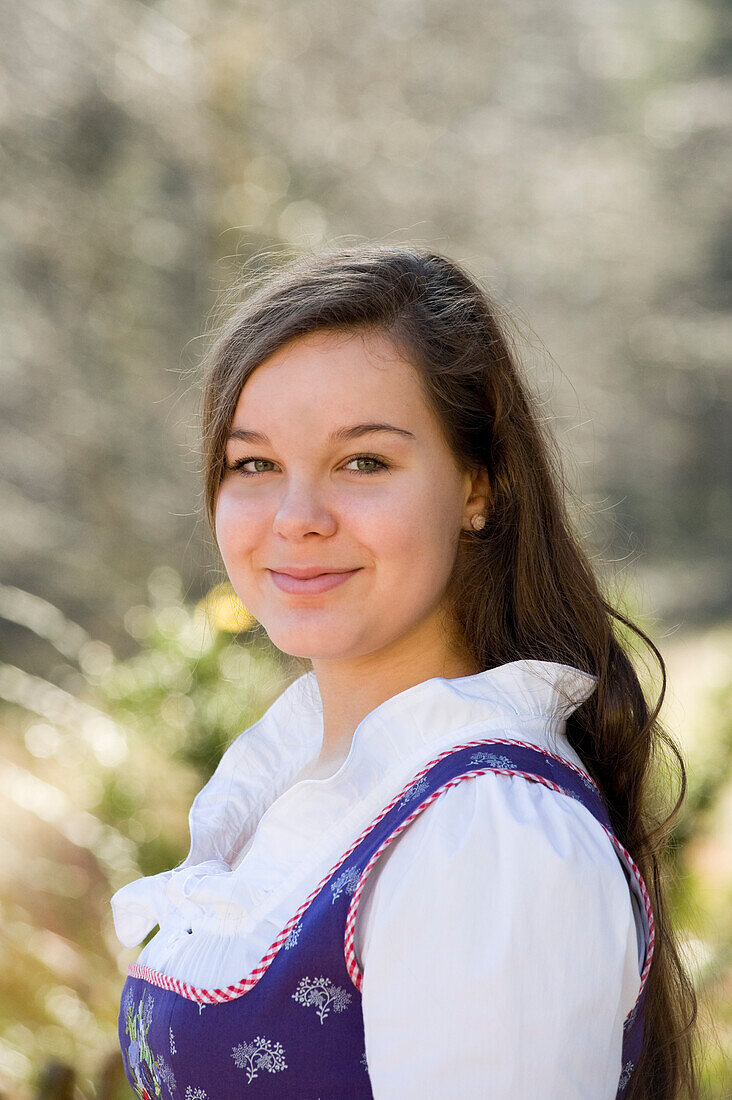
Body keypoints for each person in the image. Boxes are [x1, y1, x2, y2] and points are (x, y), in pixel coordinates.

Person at [111, 245, 698, 1099]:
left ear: (477, 486)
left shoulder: (487, 835)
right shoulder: (305, 777)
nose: (298, 517)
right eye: (255, 464)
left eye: (364, 462)